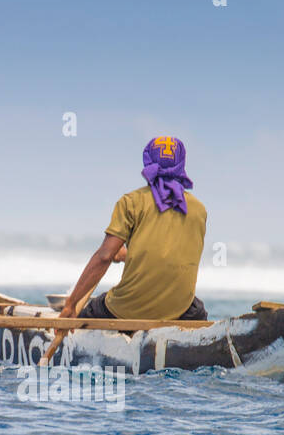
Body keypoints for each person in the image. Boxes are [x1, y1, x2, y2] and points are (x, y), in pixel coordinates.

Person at [58, 136, 208, 322]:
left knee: (92, 309)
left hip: (129, 308)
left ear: (148, 163)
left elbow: (104, 256)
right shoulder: (199, 210)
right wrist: (124, 255)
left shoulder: (131, 202)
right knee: (198, 310)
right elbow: (164, 256)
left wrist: (71, 304)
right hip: (179, 309)